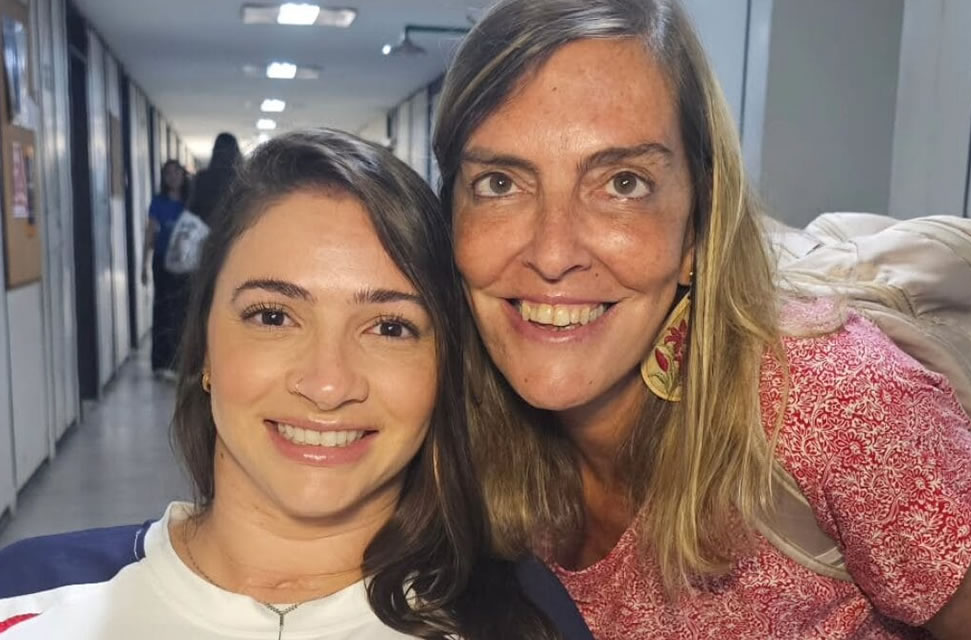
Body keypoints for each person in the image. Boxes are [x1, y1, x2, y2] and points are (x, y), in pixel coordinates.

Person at [433, 1, 971, 638]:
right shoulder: (448, 427)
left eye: (623, 183)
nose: (553, 254)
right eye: (500, 183)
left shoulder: (833, 406)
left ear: (697, 224)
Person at [0, 130, 563, 639]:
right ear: (205, 348)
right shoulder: (24, 597)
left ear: (444, 368)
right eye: (273, 316)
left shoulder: (524, 621)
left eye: (390, 327)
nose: (327, 385)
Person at [142, 159, 191, 378]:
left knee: (181, 310)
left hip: (185, 263)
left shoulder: (190, 201)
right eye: (168, 173)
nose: (173, 177)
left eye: (176, 172)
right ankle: (161, 362)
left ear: (183, 176)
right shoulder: (158, 202)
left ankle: (179, 361)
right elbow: (150, 232)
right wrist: (144, 265)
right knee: (162, 309)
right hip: (162, 261)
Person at [189, 132, 242, 227]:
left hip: (205, 228)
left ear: (215, 151)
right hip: (233, 228)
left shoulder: (202, 177)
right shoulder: (241, 178)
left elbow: (194, 207)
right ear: (236, 151)